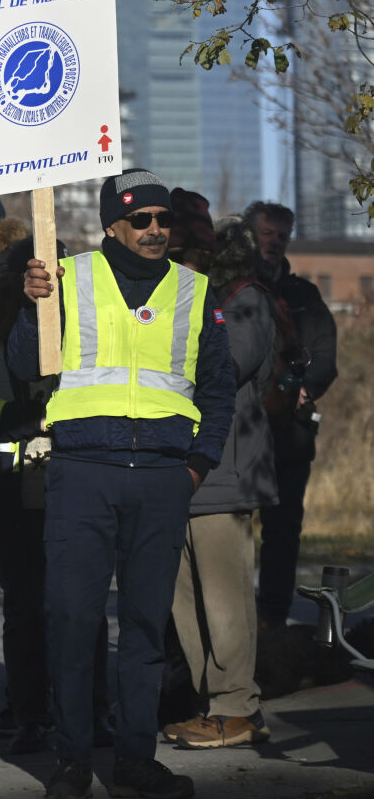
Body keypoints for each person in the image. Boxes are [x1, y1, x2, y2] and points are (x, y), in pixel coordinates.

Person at [14, 171, 234, 799]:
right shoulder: (65, 278)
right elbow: (24, 368)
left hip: (164, 476)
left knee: (144, 627)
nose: (156, 230)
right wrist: (35, 310)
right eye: (141, 221)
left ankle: (136, 761)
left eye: (163, 219)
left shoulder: (195, 290)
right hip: (84, 473)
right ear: (112, 225)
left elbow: (218, 385)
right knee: (74, 622)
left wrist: (199, 464)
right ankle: (72, 762)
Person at [166, 217, 279, 749]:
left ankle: (238, 706)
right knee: (184, 604)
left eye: (184, 249)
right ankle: (213, 705)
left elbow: (227, 364)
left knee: (225, 600)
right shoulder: (194, 300)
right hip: (180, 472)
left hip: (223, 474)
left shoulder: (245, 300)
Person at [242, 200, 338, 628]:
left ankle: (273, 619)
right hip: (243, 432)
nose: (275, 243)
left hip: (292, 435)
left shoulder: (304, 296)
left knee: (283, 531)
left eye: (282, 236)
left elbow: (326, 357)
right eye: (267, 233)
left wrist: (304, 387)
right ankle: (236, 621)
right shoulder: (235, 289)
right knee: (233, 527)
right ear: (251, 235)